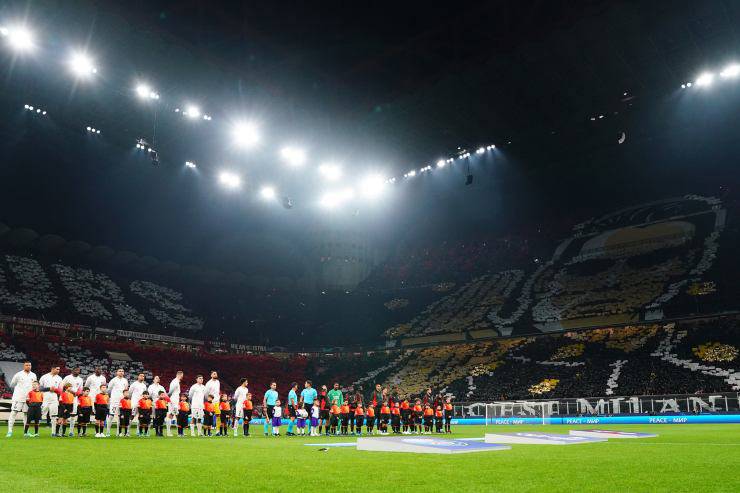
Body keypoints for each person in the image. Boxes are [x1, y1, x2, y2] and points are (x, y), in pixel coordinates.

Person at [7, 361, 38, 438]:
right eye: (27, 365)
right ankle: (10, 431)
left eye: (30, 365)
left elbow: (34, 386)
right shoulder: (18, 374)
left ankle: (26, 432)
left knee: (26, 415)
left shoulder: (33, 375)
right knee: (13, 413)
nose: (28, 366)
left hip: (28, 399)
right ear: (24, 366)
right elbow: (12, 384)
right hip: (18, 397)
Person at [39, 366, 63, 437]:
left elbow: (60, 390)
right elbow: (40, 388)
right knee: (41, 414)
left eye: (59, 369)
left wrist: (54, 389)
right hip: (45, 397)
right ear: (52, 369)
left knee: (54, 416)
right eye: (57, 369)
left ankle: (53, 432)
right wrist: (49, 388)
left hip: (54, 398)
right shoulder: (44, 377)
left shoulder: (59, 378)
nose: (58, 370)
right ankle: (36, 432)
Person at [61, 367, 83, 436]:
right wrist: (69, 392)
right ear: (72, 371)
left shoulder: (80, 379)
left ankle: (71, 431)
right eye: (76, 370)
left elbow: (80, 389)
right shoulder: (67, 377)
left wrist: (77, 393)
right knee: (64, 416)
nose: (77, 371)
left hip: (75, 398)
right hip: (67, 398)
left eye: (78, 370)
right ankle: (62, 432)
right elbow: (62, 386)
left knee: (73, 415)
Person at [106, 368, 128, 437]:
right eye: (119, 371)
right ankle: (108, 432)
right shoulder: (113, 380)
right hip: (114, 401)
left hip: (121, 401)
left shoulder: (125, 380)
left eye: (122, 371)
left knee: (120, 417)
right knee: (111, 416)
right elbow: (109, 390)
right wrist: (112, 398)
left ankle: (118, 432)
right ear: (117, 372)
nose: (121, 372)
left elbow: (126, 390)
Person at [167, 371, 184, 437]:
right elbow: (170, 391)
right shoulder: (175, 382)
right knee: (171, 414)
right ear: (179, 375)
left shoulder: (176, 381)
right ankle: (169, 432)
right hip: (174, 400)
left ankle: (179, 431)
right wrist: (169, 398)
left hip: (175, 399)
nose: (182, 377)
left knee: (176, 414)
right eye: (182, 375)